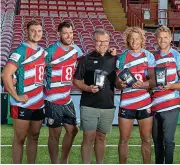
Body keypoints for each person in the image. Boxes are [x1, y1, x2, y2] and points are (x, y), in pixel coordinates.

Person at [2, 20, 46, 163]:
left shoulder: (42, 52)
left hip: (38, 103)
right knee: (20, 138)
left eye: (39, 31)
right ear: (26, 31)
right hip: (22, 104)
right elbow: (5, 74)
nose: (36, 33)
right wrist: (16, 96)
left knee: (34, 137)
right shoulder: (21, 50)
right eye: (33, 30)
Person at [73, 29, 117, 164]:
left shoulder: (115, 59)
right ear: (93, 42)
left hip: (108, 105)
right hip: (89, 104)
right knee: (88, 137)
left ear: (109, 42)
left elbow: (119, 79)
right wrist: (87, 88)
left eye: (105, 41)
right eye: (99, 41)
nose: (102, 44)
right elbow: (76, 80)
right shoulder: (85, 59)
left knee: (102, 137)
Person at [44, 21, 83, 164]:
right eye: (65, 33)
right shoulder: (50, 51)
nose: (69, 36)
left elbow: (85, 64)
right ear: (59, 34)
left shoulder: (76, 50)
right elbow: (36, 66)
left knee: (73, 130)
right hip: (52, 99)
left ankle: (63, 161)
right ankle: (55, 163)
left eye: (71, 33)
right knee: (55, 134)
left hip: (67, 98)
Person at [115, 27, 156, 164]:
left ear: (142, 40)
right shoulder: (122, 57)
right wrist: (120, 84)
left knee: (146, 139)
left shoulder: (148, 56)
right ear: (127, 40)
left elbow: (153, 81)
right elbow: (116, 82)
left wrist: (143, 85)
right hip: (127, 103)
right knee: (123, 140)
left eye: (137, 38)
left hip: (145, 103)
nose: (134, 41)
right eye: (131, 38)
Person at [151, 26, 180, 164]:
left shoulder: (177, 56)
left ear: (171, 38)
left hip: (171, 105)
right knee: (157, 141)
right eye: (160, 37)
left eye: (165, 37)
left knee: (168, 140)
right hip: (154, 106)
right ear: (156, 39)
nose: (162, 40)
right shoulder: (152, 57)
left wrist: (171, 86)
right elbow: (148, 80)